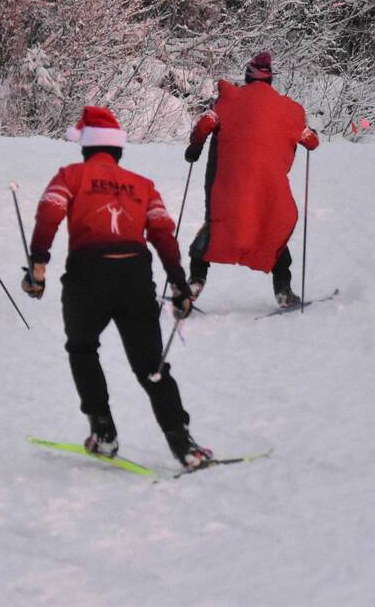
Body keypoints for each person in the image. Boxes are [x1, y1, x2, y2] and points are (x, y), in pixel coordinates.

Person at [21, 106, 213, 470]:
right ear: (118, 150)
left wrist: (38, 266)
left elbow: (49, 213)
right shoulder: (144, 186)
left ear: (86, 148)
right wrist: (179, 284)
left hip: (86, 276)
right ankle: (184, 444)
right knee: (151, 365)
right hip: (135, 277)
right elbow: (162, 234)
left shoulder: (70, 176)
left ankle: (103, 432)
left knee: (82, 349)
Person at [182, 51, 320, 312]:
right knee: (271, 233)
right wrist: (310, 133)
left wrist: (195, 149)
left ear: (247, 77)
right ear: (270, 80)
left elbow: (204, 125)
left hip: (228, 185)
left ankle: (195, 283)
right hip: (267, 188)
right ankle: (283, 291)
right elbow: (311, 141)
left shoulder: (228, 100)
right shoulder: (287, 109)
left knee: (215, 228)